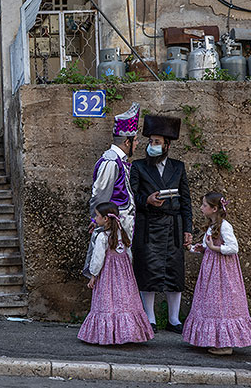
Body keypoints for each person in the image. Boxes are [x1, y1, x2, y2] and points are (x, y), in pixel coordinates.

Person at [130, 115, 193, 334]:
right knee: (148, 271)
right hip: (148, 225)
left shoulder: (178, 167)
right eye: (151, 141)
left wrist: (188, 229)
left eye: (157, 142)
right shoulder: (138, 167)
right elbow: (131, 197)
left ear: (167, 145)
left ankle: (174, 320)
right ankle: (150, 318)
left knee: (174, 273)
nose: (152, 145)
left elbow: (186, 200)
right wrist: (146, 201)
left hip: (173, 226)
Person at [183, 192, 251, 355]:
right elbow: (209, 247)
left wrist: (214, 248)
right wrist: (197, 248)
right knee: (212, 305)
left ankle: (225, 345)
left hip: (222, 272)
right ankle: (214, 340)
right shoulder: (212, 226)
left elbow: (233, 248)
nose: (201, 207)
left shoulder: (225, 226)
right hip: (211, 271)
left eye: (204, 205)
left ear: (214, 208)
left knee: (222, 304)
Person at [79, 202, 154, 345]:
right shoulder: (122, 234)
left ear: (106, 218)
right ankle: (128, 333)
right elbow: (129, 255)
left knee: (107, 301)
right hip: (124, 276)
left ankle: (108, 335)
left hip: (107, 275)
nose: (95, 218)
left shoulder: (102, 237)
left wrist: (93, 275)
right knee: (124, 301)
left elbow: (98, 258)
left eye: (97, 216)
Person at [84, 102, 140, 274]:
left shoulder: (119, 160)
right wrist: (97, 221)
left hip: (122, 228)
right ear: (126, 142)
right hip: (111, 230)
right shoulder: (111, 161)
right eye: (135, 140)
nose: (137, 144)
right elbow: (100, 195)